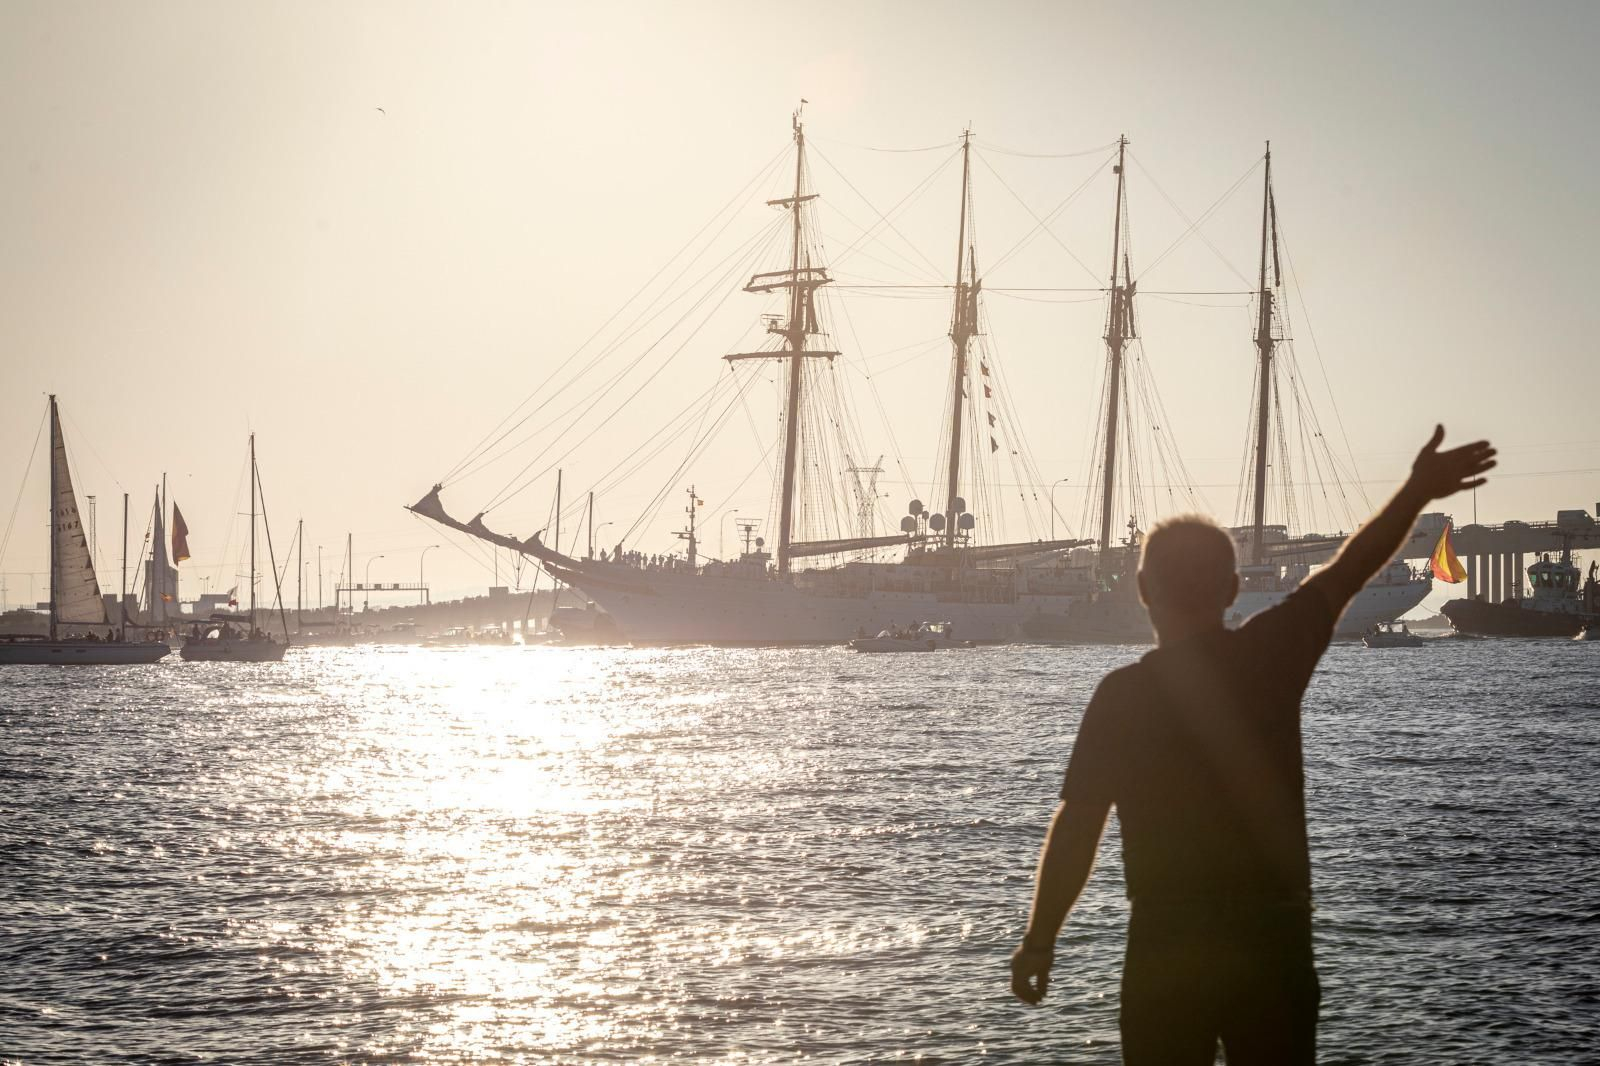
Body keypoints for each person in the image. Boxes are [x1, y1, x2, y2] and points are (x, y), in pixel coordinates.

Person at [1010, 426, 1495, 1065]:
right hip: (1271, 938)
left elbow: (1078, 827)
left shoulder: (1121, 697)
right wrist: (1416, 490)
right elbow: (1351, 568)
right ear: (1233, 591)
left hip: (1166, 942)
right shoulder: (1272, 656)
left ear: (1144, 591)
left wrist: (1040, 940)